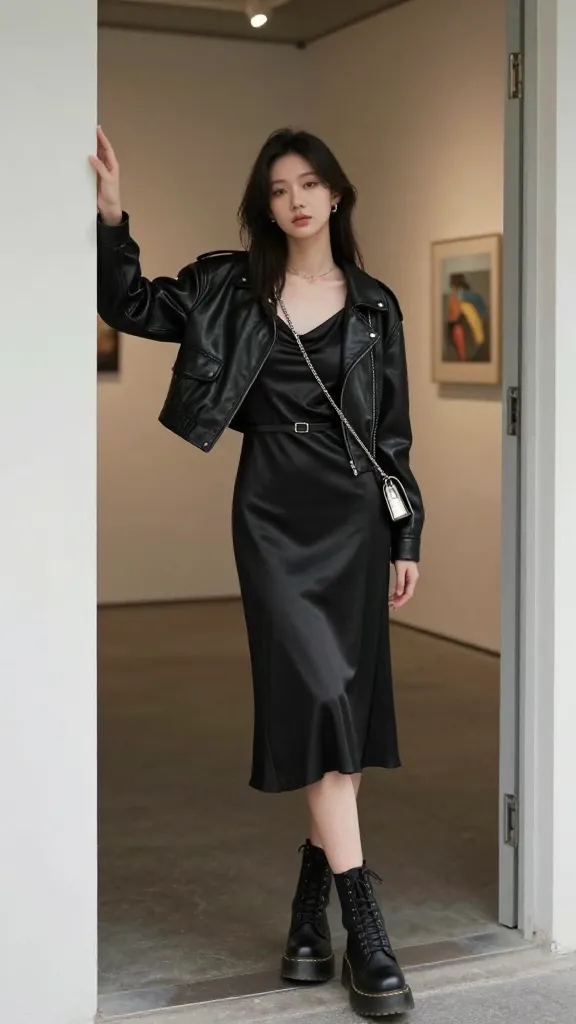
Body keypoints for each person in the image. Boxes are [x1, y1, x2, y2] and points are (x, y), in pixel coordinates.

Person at [92, 125, 424, 1019]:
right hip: (274, 514)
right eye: (279, 189)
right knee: (317, 699)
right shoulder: (226, 289)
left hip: (355, 516)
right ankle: (368, 933)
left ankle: (308, 921)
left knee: (343, 724)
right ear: (264, 206)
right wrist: (113, 217)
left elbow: (391, 435)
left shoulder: (377, 307)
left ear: (337, 195)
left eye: (311, 183)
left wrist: (408, 536)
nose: (297, 200)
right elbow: (127, 304)